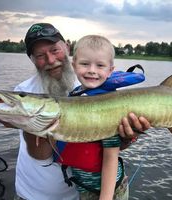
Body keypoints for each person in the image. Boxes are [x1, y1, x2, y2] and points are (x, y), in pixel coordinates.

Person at [12, 23, 150, 200]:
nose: (51, 60)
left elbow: (112, 149)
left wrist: (128, 136)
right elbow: (40, 154)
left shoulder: (94, 85)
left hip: (80, 195)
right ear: (32, 59)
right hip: (29, 194)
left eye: (55, 50)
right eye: (40, 55)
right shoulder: (23, 91)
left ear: (67, 47)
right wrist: (27, 122)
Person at [62, 34, 129, 200]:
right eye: (85, 64)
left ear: (110, 70)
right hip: (85, 188)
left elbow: (111, 158)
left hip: (110, 192)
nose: (92, 70)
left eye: (100, 65)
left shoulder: (108, 107)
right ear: (74, 65)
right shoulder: (75, 97)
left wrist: (105, 198)